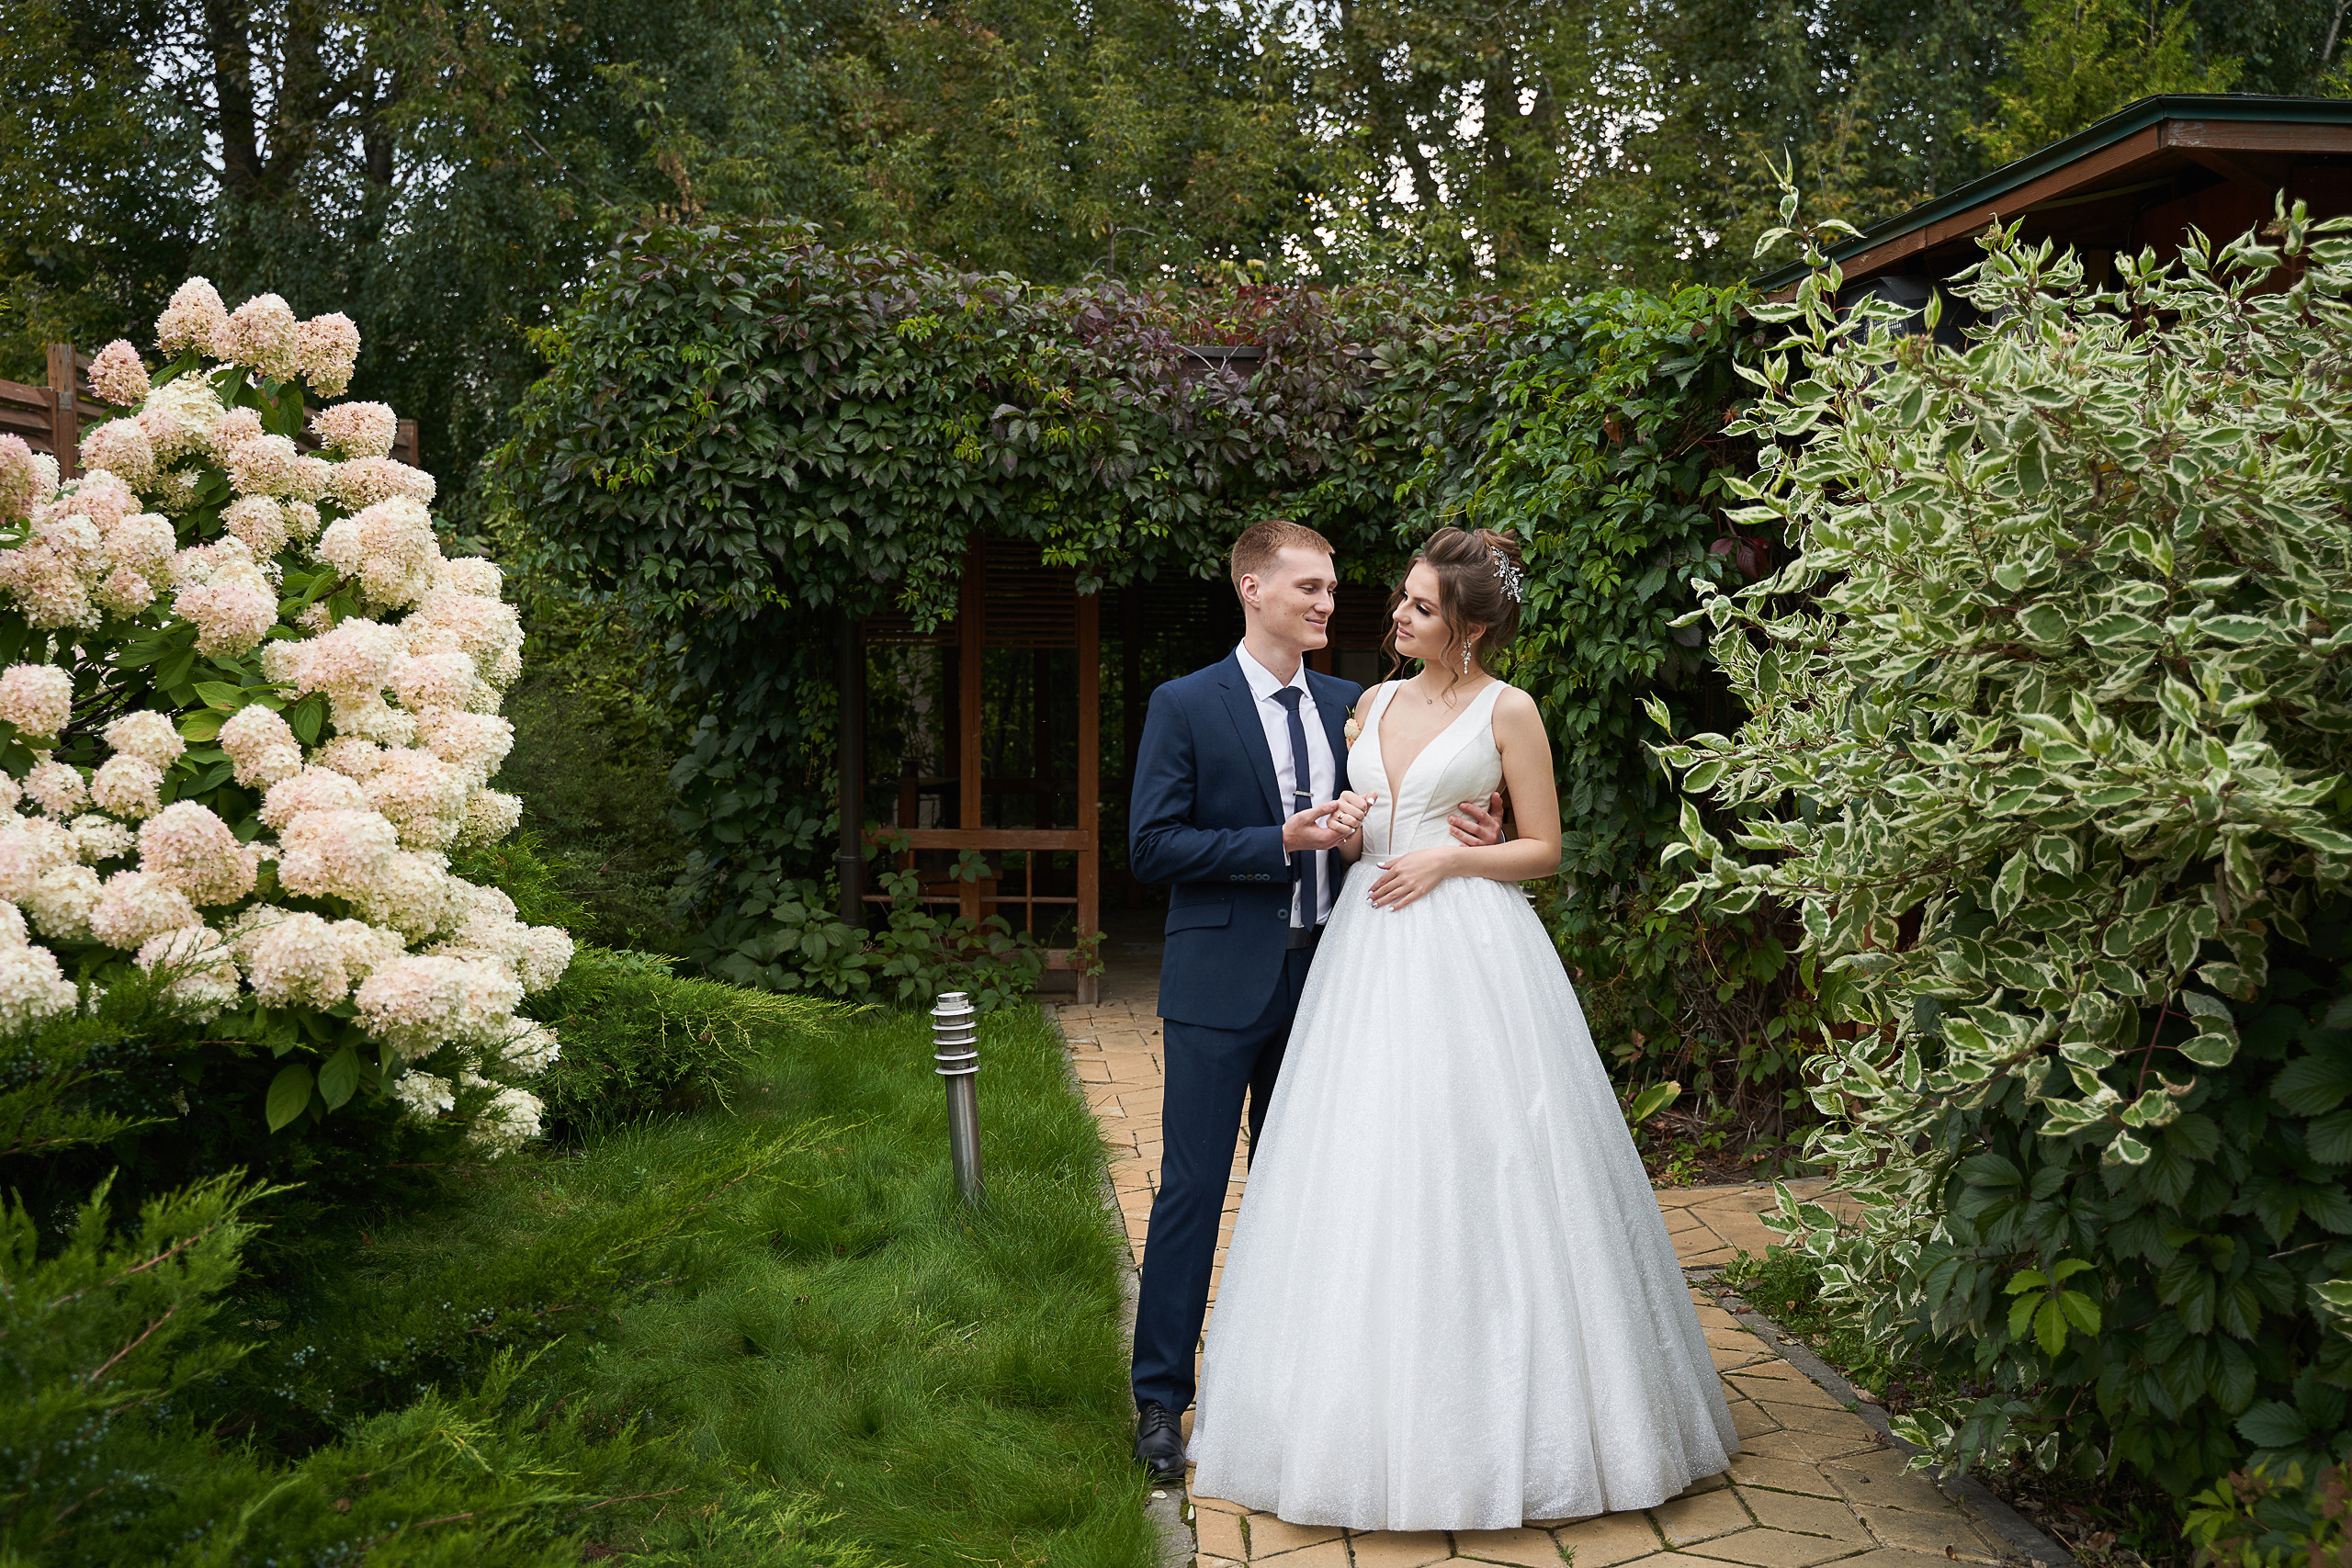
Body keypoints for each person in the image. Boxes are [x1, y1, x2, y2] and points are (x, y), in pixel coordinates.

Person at [1184, 525, 1737, 1530]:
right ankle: (1340, 1419)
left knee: (1490, 1157)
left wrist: (1453, 856)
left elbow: (1544, 846)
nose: (1396, 615)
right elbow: (1364, 827)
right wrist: (1349, 833)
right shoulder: (1369, 704)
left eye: (1420, 606)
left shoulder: (1508, 710)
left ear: (1469, 628)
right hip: (1365, 951)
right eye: (1402, 598)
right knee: (1363, 1163)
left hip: (1472, 948)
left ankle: (1522, 1416)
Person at [1125, 519, 1504, 1483]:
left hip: (1335, 981)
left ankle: (1284, 1396)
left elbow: (1417, 795)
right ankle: (1160, 1400)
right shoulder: (1185, 703)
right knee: (1191, 1190)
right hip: (1217, 984)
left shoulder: (1357, 704)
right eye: (1309, 588)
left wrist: (1478, 818)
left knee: (1311, 1192)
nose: (1329, 603)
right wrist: (1277, 841)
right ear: (1252, 589)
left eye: (1332, 589)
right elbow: (1151, 846)